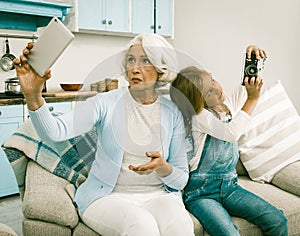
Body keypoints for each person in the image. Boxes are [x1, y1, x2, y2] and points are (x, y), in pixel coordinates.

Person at [13, 33, 195, 236]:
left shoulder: (173, 113)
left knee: (181, 225)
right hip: (108, 197)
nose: (135, 68)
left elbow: (180, 180)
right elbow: (54, 131)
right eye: (131, 60)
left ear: (161, 69)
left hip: (160, 195)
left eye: (145, 61)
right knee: (142, 226)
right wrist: (32, 95)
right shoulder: (105, 102)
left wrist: (163, 168)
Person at [169, 46, 288, 236]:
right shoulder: (200, 117)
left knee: (277, 220)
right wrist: (252, 99)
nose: (217, 88)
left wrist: (252, 60)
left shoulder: (227, 106)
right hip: (201, 193)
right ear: (197, 102)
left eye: (213, 80)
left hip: (230, 186)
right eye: (209, 92)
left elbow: (246, 86)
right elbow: (231, 133)